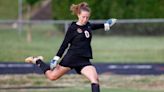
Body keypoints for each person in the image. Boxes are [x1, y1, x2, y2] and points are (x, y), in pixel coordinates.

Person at [25, 2, 116, 92]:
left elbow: (94, 26)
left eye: (87, 17)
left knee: (95, 79)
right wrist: (56, 58)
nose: (85, 19)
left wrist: (106, 25)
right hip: (71, 59)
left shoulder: (87, 25)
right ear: (78, 15)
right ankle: (37, 60)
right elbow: (65, 44)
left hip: (84, 60)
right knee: (52, 77)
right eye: (83, 17)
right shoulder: (73, 28)